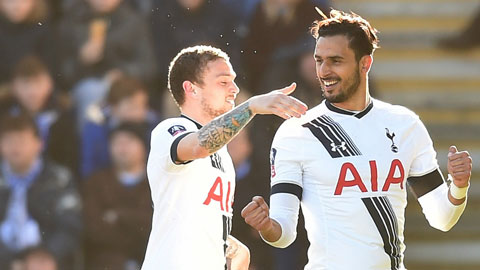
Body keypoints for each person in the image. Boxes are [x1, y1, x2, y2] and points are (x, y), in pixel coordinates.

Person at [241, 9, 473, 270]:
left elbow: (442, 218)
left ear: (365, 64)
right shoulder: (297, 131)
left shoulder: (405, 124)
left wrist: (459, 186)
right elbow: (284, 234)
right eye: (319, 60)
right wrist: (266, 226)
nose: (324, 71)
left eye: (336, 61)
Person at [141, 45, 307, 270]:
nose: (235, 89)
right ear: (192, 88)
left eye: (234, 81)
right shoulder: (170, 128)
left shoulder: (223, 153)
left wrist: (231, 248)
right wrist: (251, 107)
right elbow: (199, 145)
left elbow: (198, 220)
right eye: (223, 82)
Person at [0, 114, 82, 270]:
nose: (15, 147)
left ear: (39, 144)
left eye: (21, 141)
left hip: (46, 259)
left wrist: (48, 255)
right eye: (9, 141)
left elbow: (70, 225)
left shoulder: (59, 179)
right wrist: (8, 261)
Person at [83, 122, 152, 270]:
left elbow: (154, 225)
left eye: (129, 141)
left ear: (143, 147)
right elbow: (94, 229)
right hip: (107, 261)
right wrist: (135, 221)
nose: (123, 148)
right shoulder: (97, 182)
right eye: (117, 142)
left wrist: (118, 216)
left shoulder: (156, 182)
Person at [0, 55, 79, 174]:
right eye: (25, 84)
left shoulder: (62, 117)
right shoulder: (5, 115)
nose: (32, 92)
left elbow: (69, 159)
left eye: (38, 83)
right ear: (14, 87)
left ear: (49, 84)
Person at [80, 75, 158, 178]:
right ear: (114, 107)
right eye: (132, 107)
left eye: (143, 106)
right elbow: (89, 167)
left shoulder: (153, 126)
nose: (140, 113)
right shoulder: (95, 128)